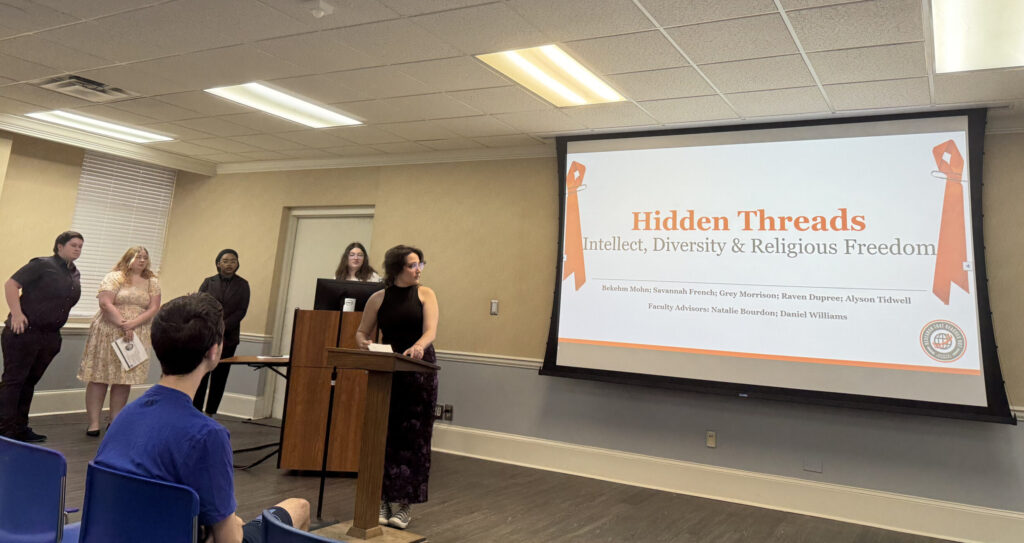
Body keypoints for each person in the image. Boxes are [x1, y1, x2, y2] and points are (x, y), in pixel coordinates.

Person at [94, 293, 310, 543]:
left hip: (121, 534)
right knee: (299, 507)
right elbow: (229, 541)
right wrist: (234, 525)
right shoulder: (208, 435)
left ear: (156, 346)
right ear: (214, 351)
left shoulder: (124, 416)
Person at [355, 245, 439, 530]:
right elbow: (361, 332)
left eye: (420, 264)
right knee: (384, 432)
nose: (418, 270)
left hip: (418, 369)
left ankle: (404, 505)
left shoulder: (426, 294)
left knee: (413, 436)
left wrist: (418, 346)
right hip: (387, 368)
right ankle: (382, 498)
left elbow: (430, 331)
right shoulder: (378, 298)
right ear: (397, 269)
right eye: (412, 265)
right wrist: (363, 342)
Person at [0, 231, 83, 442]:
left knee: (29, 383)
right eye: (73, 245)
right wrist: (17, 314)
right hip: (24, 333)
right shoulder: (41, 264)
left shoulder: (74, 273)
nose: (77, 249)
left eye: (80, 246)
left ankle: (20, 427)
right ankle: (5, 429)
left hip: (50, 336)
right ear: (59, 246)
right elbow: (11, 284)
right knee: (14, 382)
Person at [77, 246, 161, 436]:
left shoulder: (152, 281)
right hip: (109, 328)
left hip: (137, 331)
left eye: (145, 257)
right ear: (128, 258)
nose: (142, 260)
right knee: (100, 376)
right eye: (138, 257)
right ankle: (94, 423)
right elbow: (105, 303)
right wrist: (123, 324)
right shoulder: (114, 277)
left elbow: (154, 307)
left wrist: (133, 325)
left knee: (124, 379)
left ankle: (115, 420)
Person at [194, 249, 250, 416]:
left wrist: (222, 326)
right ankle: (196, 411)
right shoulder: (208, 282)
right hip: (207, 335)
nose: (229, 264)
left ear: (237, 264)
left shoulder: (243, 285)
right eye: (225, 261)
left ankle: (211, 412)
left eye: (233, 261)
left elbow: (241, 310)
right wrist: (212, 325)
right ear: (218, 263)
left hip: (229, 337)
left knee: (220, 376)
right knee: (202, 374)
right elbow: (200, 304)